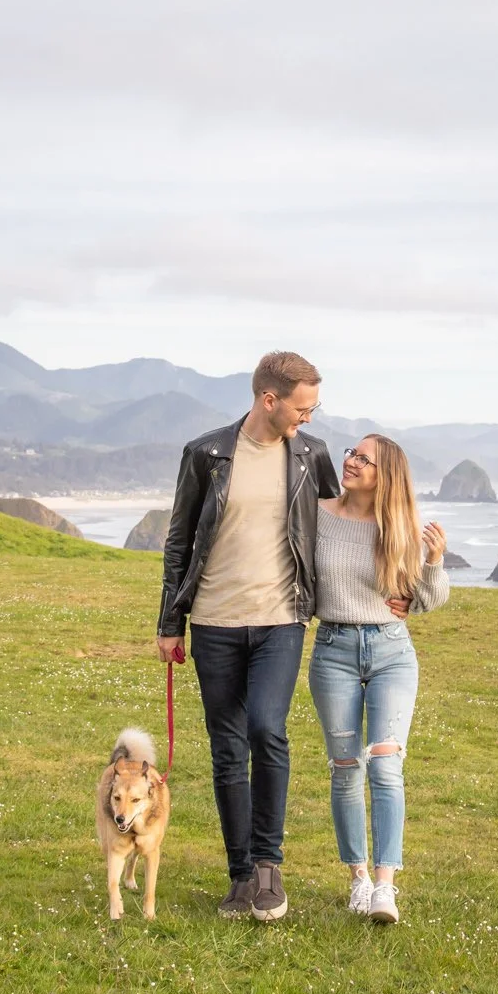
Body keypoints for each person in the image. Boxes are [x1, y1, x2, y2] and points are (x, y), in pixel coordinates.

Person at [156, 351, 340, 921]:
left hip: (281, 619)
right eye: (302, 407)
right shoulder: (207, 454)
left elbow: (340, 526)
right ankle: (239, 877)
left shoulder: (312, 455)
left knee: (267, 728)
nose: (309, 418)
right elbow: (179, 540)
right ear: (270, 399)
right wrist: (170, 622)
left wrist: (402, 574)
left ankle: (268, 866)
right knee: (227, 747)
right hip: (214, 622)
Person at [308, 432, 449, 924]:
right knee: (346, 770)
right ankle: (358, 879)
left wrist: (433, 563)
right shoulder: (318, 514)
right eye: (352, 452)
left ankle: (386, 888)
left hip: (391, 652)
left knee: (386, 767)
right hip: (333, 650)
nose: (350, 461)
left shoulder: (401, 527)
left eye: (363, 459)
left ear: (383, 475)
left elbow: (428, 600)